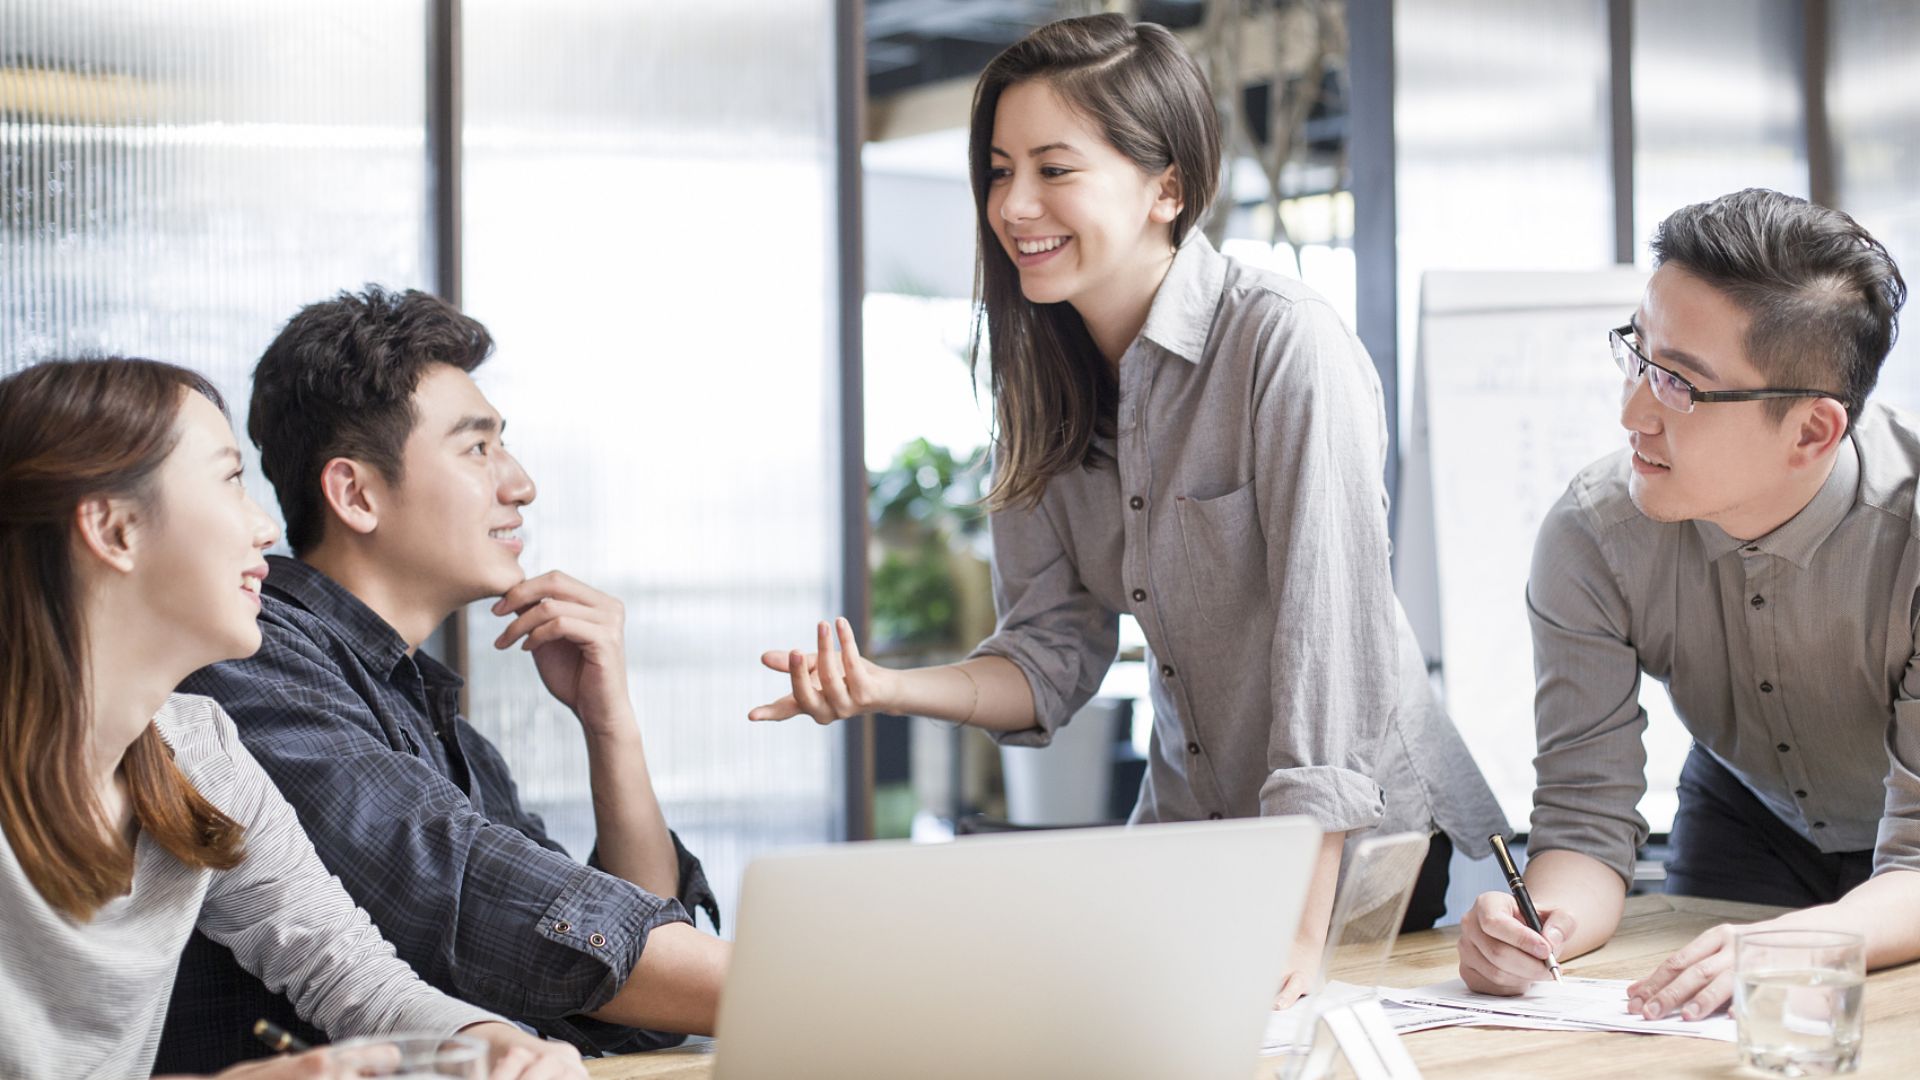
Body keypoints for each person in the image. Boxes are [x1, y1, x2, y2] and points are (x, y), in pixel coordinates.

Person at [749, 13, 1506, 1002]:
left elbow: (1334, 650)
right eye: (998, 168)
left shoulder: (1283, 346)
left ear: (1167, 188)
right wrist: (886, 690)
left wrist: (1300, 929)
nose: (1014, 204)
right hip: (1200, 845)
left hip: (1365, 856)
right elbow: (1052, 651)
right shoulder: (1040, 387)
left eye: (1054, 170)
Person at [154, 288, 727, 1072]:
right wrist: (796, 989)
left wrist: (610, 728)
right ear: (356, 493)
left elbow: (631, 1005)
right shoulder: (246, 664)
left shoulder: (441, 727)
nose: (519, 483)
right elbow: (458, 893)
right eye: (478, 448)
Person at [0, 358, 581, 1080]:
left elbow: (359, 981)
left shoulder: (200, 752)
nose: (265, 527)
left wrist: (497, 1046)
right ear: (116, 529)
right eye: (227, 479)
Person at [1455, 188, 1920, 1021]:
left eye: (1678, 385)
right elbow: (1584, 817)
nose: (1632, 411)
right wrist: (1541, 929)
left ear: (1813, 432)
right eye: (1638, 354)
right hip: (1747, 811)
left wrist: (1804, 941)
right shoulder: (1593, 533)